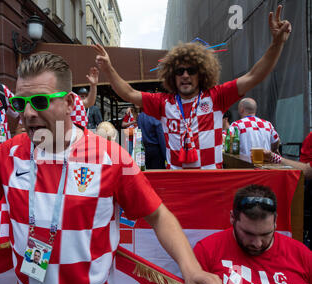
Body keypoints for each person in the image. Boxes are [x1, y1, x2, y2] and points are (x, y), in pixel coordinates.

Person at [0, 52, 227, 284]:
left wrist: (190, 268)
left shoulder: (112, 158)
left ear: (68, 103)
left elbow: (158, 215)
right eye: (21, 102)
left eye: (39, 101)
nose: (27, 113)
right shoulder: (6, 155)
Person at [94, 5, 292, 169]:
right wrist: (109, 68)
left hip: (211, 185)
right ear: (172, 75)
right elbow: (128, 93)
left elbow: (255, 76)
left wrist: (277, 44)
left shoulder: (216, 97)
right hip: (179, 184)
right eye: (179, 71)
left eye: (191, 70)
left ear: (202, 73)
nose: (185, 75)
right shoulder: (163, 103)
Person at [193, 184, 311, 284]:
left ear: (275, 222)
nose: (257, 244)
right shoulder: (207, 250)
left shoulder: (302, 254)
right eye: (249, 234)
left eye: (266, 234)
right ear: (232, 218)